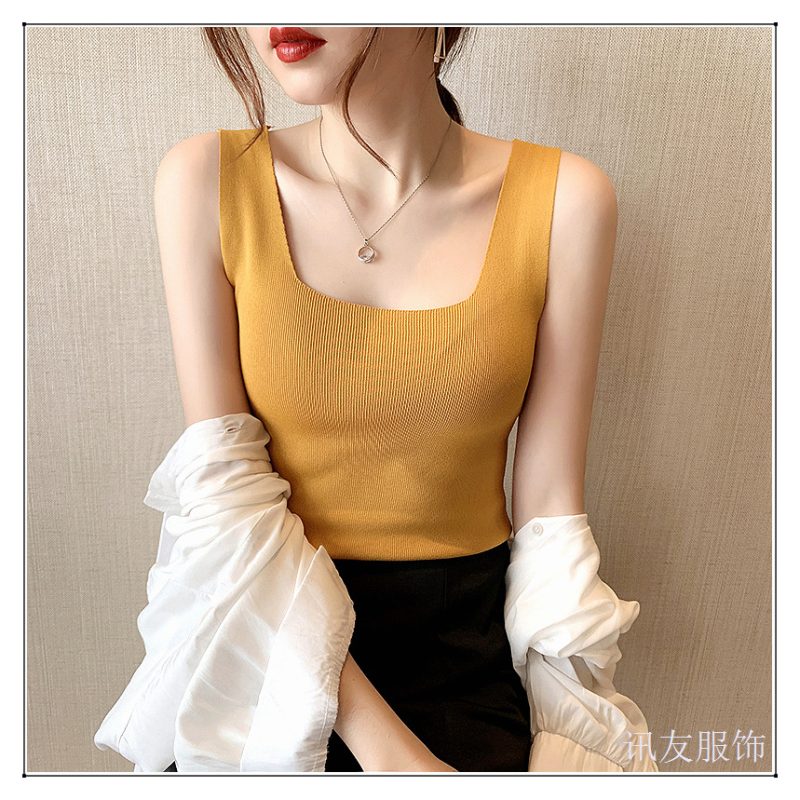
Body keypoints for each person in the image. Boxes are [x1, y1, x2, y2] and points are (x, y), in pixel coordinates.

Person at [154, 26, 624, 772]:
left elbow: (550, 513)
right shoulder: (208, 180)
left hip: (462, 657)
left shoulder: (566, 200)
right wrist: (398, 761)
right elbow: (225, 501)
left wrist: (573, 736)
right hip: (258, 645)